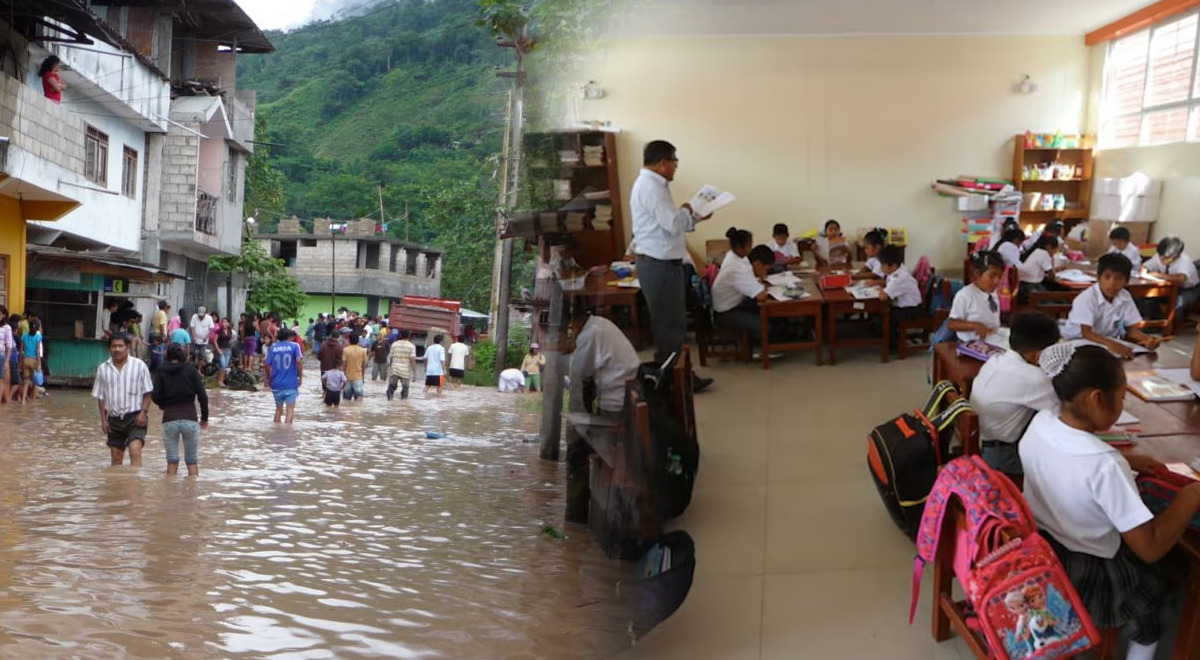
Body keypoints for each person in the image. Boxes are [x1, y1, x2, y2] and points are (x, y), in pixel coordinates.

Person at [1020, 343, 1197, 660]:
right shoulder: (1104, 465)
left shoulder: (1041, 423)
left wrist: (1124, 461)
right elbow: (1151, 547)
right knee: (1154, 598)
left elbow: (1073, 457)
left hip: (1045, 547)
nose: (1123, 403)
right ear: (1097, 399)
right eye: (1122, 397)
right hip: (1089, 570)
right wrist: (1191, 496)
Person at [629, 139, 713, 392]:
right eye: (675, 161)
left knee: (669, 327)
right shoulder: (651, 187)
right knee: (670, 328)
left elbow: (670, 223)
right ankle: (674, 383)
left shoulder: (655, 185)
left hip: (663, 265)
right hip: (660, 266)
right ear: (663, 163)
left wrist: (691, 213)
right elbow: (674, 225)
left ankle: (676, 378)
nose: (676, 166)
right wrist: (693, 212)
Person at [564, 303, 642, 521]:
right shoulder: (600, 324)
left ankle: (577, 517)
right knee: (582, 427)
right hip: (629, 394)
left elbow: (581, 372)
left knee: (575, 448)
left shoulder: (589, 335)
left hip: (617, 406)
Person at [968, 311, 1060, 476]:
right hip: (1001, 457)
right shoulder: (1034, 378)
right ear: (1040, 354)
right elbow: (1063, 413)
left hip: (981, 441)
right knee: (1058, 470)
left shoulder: (996, 359)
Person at [1064, 253, 1160, 358]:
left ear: (1126, 281)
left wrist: (1147, 339)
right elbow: (1086, 333)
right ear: (1098, 277)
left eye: (1119, 278)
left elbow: (1131, 330)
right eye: (1107, 277)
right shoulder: (1086, 298)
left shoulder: (1125, 296)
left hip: (1103, 341)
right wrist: (1111, 343)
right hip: (1076, 341)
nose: (1112, 283)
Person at [92, 334, 154, 467]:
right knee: (116, 457)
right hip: (113, 419)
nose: (117, 349)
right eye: (114, 346)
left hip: (135, 417)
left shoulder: (139, 366)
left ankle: (136, 486)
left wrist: (143, 412)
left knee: (135, 451)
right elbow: (100, 397)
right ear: (109, 349)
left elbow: (148, 392)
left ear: (127, 348)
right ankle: (117, 486)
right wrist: (103, 420)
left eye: (121, 346)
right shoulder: (103, 369)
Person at [151, 343, 209, 476]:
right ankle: (192, 494)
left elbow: (155, 395)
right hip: (190, 419)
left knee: (172, 461)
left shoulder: (161, 370)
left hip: (169, 419)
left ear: (168, 354)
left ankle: (171, 494)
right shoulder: (190, 369)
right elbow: (203, 397)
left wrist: (163, 405)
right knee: (192, 461)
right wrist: (204, 418)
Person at [711, 231, 774, 349]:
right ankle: (757, 350)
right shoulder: (738, 267)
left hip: (728, 306)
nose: (751, 249)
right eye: (750, 245)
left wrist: (758, 281)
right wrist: (762, 286)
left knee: (761, 310)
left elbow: (748, 280)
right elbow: (761, 296)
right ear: (740, 247)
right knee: (765, 325)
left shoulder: (733, 256)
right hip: (725, 313)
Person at [948, 251, 1004, 342]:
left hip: (991, 340)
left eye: (1000, 276)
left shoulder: (993, 293)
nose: (996, 281)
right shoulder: (965, 295)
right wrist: (975, 326)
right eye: (992, 276)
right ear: (976, 274)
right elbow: (951, 324)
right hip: (970, 344)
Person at [877, 245, 923, 350]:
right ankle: (893, 339)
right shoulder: (899, 270)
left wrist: (881, 291)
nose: (881, 268)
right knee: (883, 314)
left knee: (883, 317)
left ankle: (895, 344)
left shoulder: (899, 278)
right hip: (908, 306)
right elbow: (889, 283)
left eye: (883, 265)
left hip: (911, 310)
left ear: (893, 266)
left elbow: (883, 297)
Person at [1141, 236, 1200, 314]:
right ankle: (1156, 320)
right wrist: (1143, 270)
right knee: (1147, 297)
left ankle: (1171, 325)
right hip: (1169, 287)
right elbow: (1146, 266)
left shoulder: (1184, 261)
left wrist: (1158, 275)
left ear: (1176, 256)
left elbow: (1181, 278)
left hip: (1189, 289)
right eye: (1160, 257)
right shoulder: (1160, 256)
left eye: (1165, 258)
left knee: (1177, 303)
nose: (1161, 260)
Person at [263, 328, 303, 424]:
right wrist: (300, 377)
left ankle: (277, 431)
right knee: (290, 409)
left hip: (276, 383)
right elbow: (299, 361)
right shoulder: (295, 346)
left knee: (278, 409)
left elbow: (266, 364)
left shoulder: (273, 347)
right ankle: (288, 432)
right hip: (291, 383)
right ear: (289, 336)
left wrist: (268, 378)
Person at [1017, 234, 1061, 305]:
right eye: (1054, 251)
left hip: (1023, 287)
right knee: (1056, 300)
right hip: (1031, 288)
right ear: (1049, 247)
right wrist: (1052, 260)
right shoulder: (1043, 253)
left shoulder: (1036, 251)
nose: (1054, 253)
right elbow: (1052, 277)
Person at [386, 329, 418, 401]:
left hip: (395, 369)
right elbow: (412, 360)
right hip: (405, 371)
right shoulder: (411, 346)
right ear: (409, 336)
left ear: (400, 335)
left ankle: (389, 402)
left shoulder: (394, 344)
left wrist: (391, 368)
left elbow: (391, 357)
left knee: (391, 388)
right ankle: (403, 404)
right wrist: (415, 373)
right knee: (405, 389)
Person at [20, 319, 43, 402]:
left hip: (25, 360)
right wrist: (39, 363)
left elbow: (21, 350)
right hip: (33, 361)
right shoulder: (38, 336)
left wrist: (20, 363)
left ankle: (23, 401)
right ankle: (33, 402)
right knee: (35, 382)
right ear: (37, 328)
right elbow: (37, 351)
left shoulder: (24, 336)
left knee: (26, 382)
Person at [342, 336, 368, 401]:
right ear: (358, 341)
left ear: (349, 340)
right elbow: (364, 365)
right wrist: (363, 377)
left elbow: (343, 365)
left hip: (347, 377)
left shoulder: (345, 350)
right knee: (359, 399)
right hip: (358, 377)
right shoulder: (363, 350)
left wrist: (343, 377)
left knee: (346, 400)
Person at [215, 317, 234, 386]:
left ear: (228, 323)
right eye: (223, 322)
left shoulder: (230, 331)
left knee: (225, 366)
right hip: (221, 350)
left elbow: (230, 339)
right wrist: (218, 349)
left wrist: (230, 343)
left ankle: (221, 381)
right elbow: (215, 341)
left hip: (228, 350)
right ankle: (219, 381)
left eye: (225, 322)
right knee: (222, 365)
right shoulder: (219, 331)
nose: (224, 323)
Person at [0, 305, 10, 404]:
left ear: (3, 315)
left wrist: (7, 361)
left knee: (1, 381)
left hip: (1, 356)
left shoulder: (7, 328)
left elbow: (9, 345)